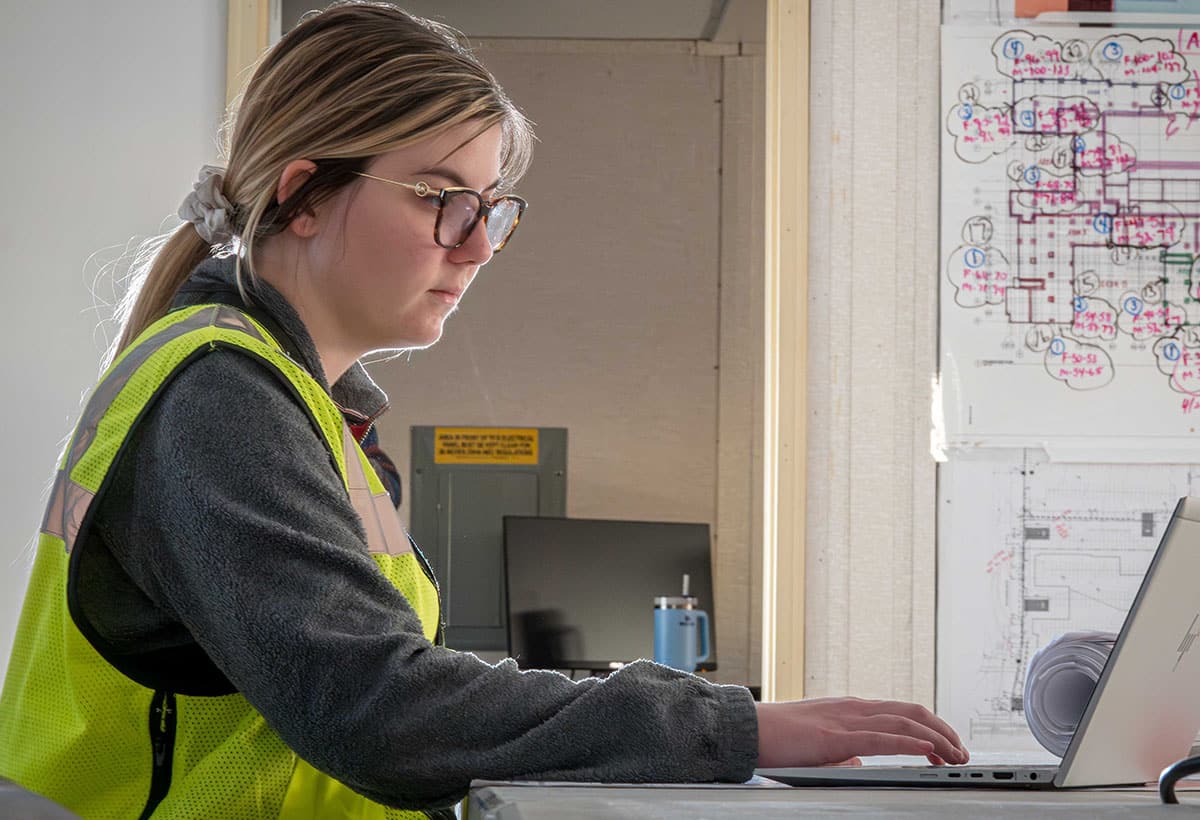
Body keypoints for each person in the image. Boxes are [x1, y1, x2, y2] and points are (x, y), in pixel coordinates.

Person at [0, 3, 968, 818]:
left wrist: (714, 719)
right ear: (303, 196)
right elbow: (380, 709)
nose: (477, 246)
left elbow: (388, 681)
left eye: (494, 208)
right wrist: (732, 726)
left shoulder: (291, 396)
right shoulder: (220, 393)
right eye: (442, 199)